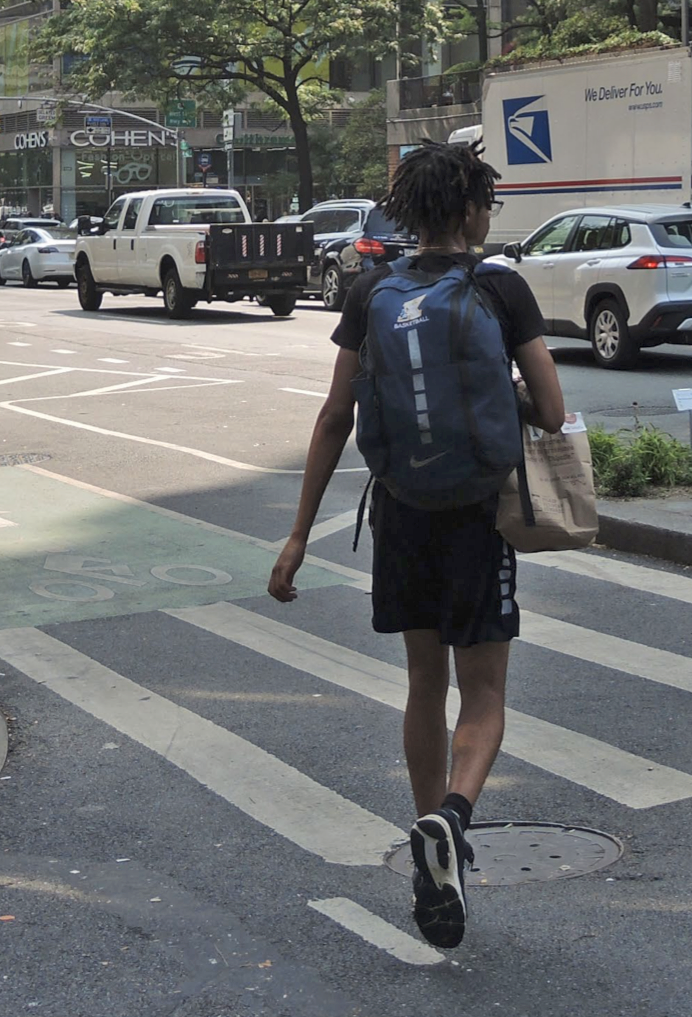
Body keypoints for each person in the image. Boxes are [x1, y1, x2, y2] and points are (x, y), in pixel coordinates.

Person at [268, 140, 564, 950]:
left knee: (424, 685)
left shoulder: (371, 291)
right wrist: (502, 392)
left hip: (400, 514)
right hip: (476, 517)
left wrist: (297, 535)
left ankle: (429, 840)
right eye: (487, 204)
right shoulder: (500, 286)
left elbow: (335, 417)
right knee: (486, 693)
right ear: (469, 209)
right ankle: (453, 821)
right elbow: (550, 408)